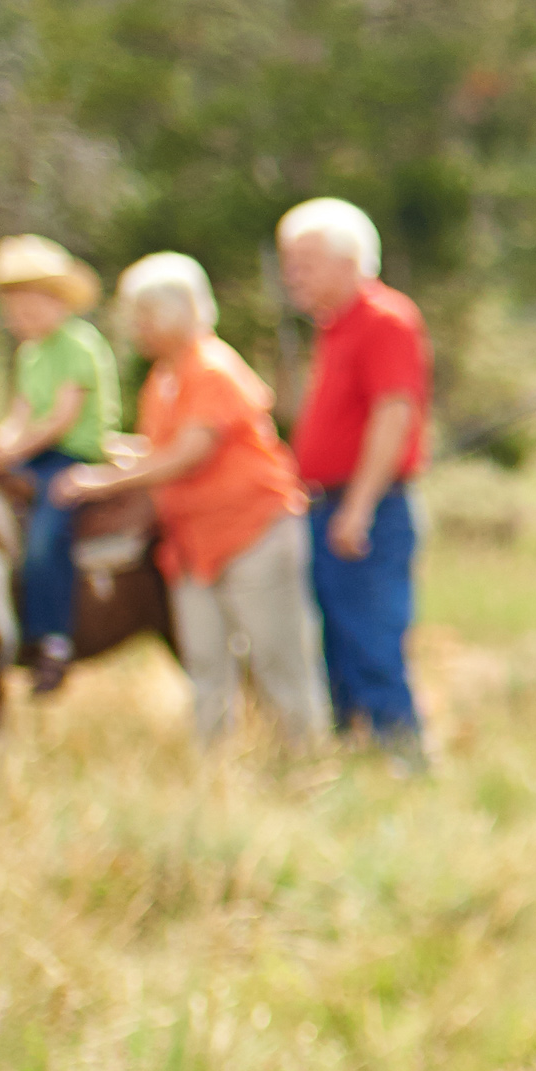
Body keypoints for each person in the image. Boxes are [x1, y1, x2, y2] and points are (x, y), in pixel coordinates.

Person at [70, 250, 325, 748]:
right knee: (205, 663)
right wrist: (123, 453)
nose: (137, 327)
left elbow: (191, 451)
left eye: (146, 315)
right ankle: (215, 766)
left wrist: (103, 482)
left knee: (278, 658)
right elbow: (166, 449)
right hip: (191, 545)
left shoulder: (212, 368)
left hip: (252, 532)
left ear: (180, 312)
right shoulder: (161, 379)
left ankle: (304, 758)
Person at [278, 196, 433, 753]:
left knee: (372, 639)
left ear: (350, 261)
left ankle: (402, 757)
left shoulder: (385, 319)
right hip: (327, 505)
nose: (293, 275)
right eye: (289, 262)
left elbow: (394, 413)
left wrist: (358, 506)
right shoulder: (333, 327)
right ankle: (356, 754)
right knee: (337, 640)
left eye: (306, 261)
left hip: (368, 508)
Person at [0, 232, 117, 692]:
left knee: (48, 532)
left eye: (31, 304)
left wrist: (15, 450)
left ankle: (53, 638)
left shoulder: (78, 344)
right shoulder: (29, 354)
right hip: (33, 451)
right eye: (13, 306)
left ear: (58, 301)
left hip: (72, 453)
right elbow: (23, 412)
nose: (21, 315)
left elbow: (60, 419)